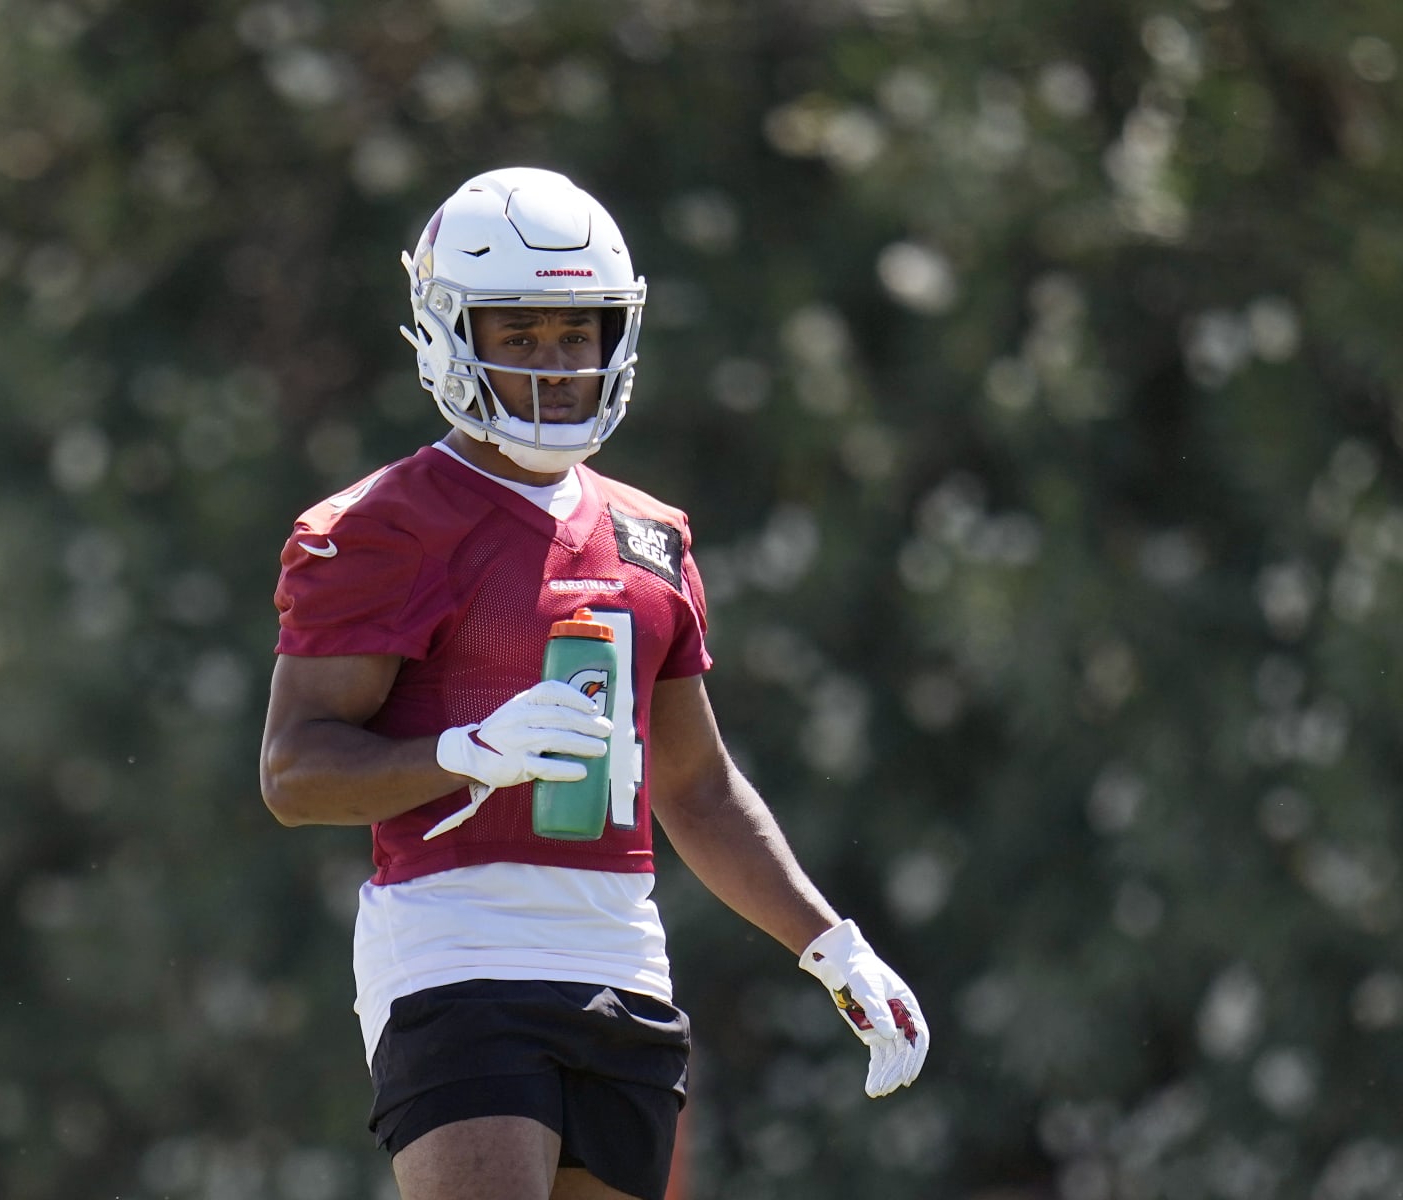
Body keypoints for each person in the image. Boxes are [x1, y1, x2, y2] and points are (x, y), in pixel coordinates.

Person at [258, 166, 929, 1200]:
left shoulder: (648, 533)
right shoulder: (382, 526)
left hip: (622, 961)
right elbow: (295, 773)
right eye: (517, 337)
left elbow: (697, 788)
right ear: (448, 334)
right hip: (456, 950)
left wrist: (831, 945)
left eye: (576, 334)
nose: (555, 366)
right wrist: (465, 752)